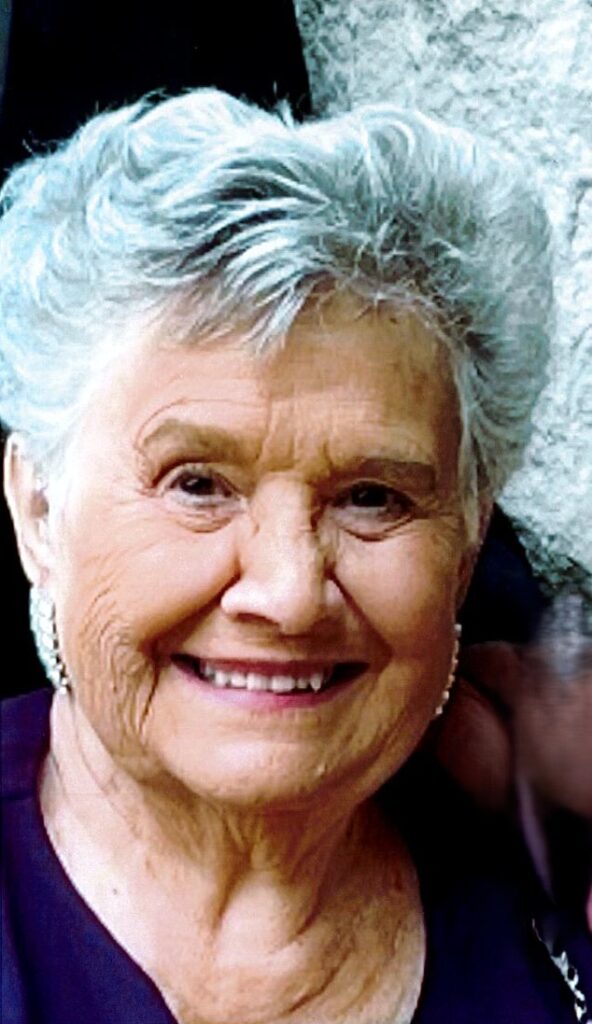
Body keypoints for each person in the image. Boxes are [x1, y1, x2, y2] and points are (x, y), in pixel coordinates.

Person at [1, 89, 585, 1023]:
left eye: (372, 497)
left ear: (469, 541)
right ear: (38, 508)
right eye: (199, 484)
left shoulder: (555, 913)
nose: (289, 593)